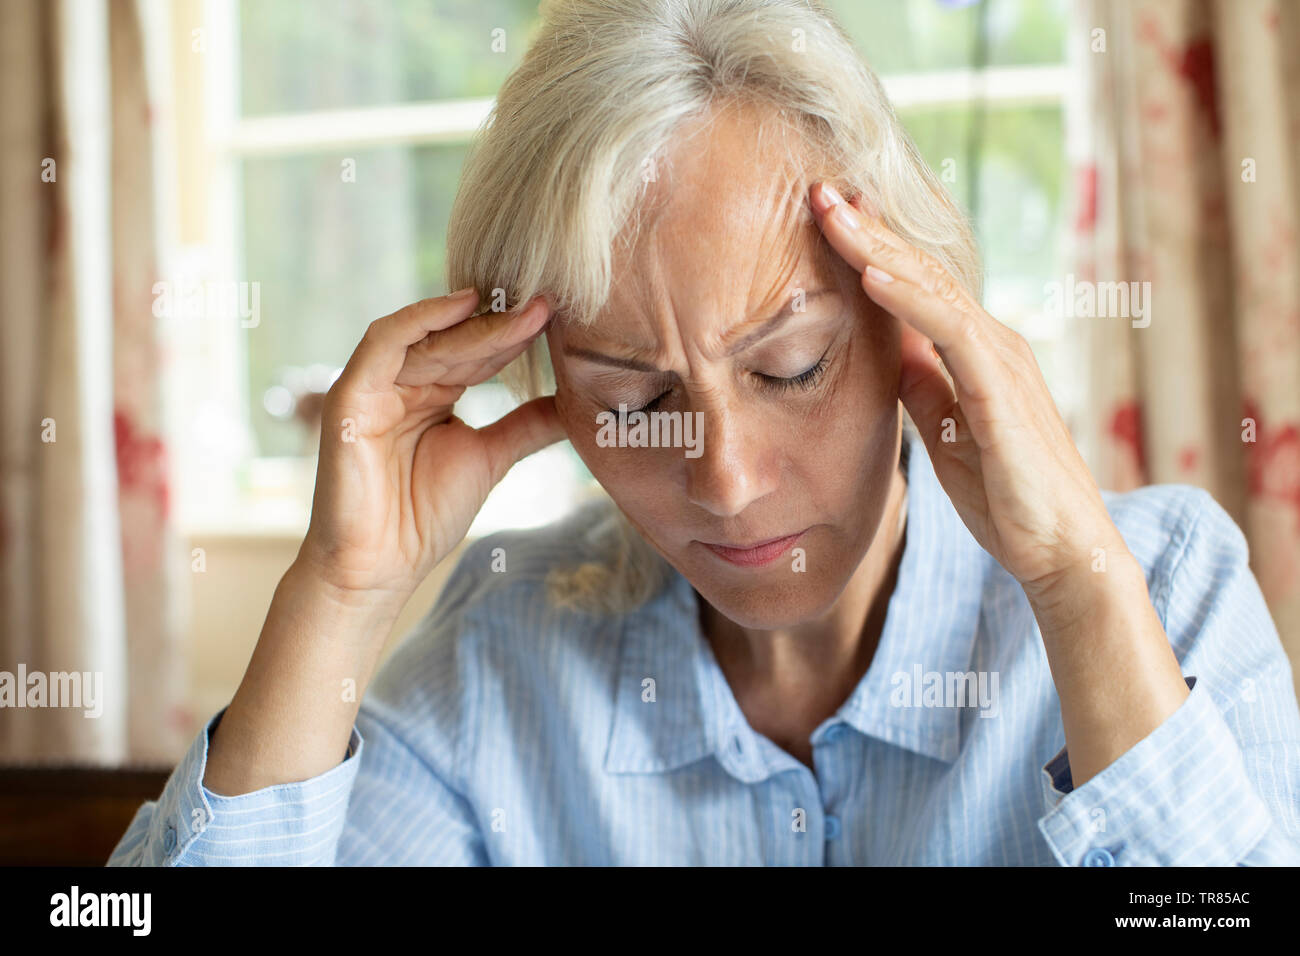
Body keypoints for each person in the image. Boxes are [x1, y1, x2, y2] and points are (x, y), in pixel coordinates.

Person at [109, 0, 1300, 866]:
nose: (725, 480)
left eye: (791, 365)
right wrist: (340, 589)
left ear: (911, 318)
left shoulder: (1162, 586)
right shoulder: (505, 656)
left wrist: (1078, 586)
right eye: (630, 397)